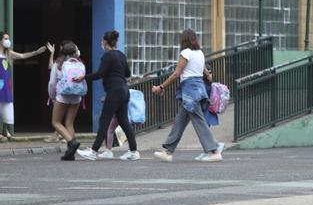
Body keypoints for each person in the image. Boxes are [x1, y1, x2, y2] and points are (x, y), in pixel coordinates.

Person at [151, 29, 222, 163]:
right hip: (199, 89)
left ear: (184, 40)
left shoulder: (185, 53)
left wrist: (161, 87)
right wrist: (209, 76)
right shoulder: (199, 53)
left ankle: (213, 151)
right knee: (180, 121)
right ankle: (168, 151)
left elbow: (177, 73)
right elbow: (205, 71)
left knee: (199, 121)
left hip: (190, 91)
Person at [75, 31, 139, 161]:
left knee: (104, 120)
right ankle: (133, 151)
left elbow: (100, 73)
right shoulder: (121, 55)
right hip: (124, 90)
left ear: (105, 42)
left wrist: (83, 77)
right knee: (124, 121)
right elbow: (127, 73)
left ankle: (93, 151)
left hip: (114, 91)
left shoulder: (107, 56)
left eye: (102, 41)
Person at [0, 31, 50, 140]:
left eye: (8, 38)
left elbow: (22, 56)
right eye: (5, 38)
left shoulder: (8, 53)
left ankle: (5, 131)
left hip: (6, 84)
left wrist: (36, 52)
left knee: (7, 105)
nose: (8, 40)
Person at [47, 42, 85, 161]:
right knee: (69, 123)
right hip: (77, 96)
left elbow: (52, 83)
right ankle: (70, 153)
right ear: (75, 52)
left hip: (62, 96)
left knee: (56, 122)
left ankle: (72, 143)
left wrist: (52, 95)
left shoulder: (58, 64)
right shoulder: (80, 63)